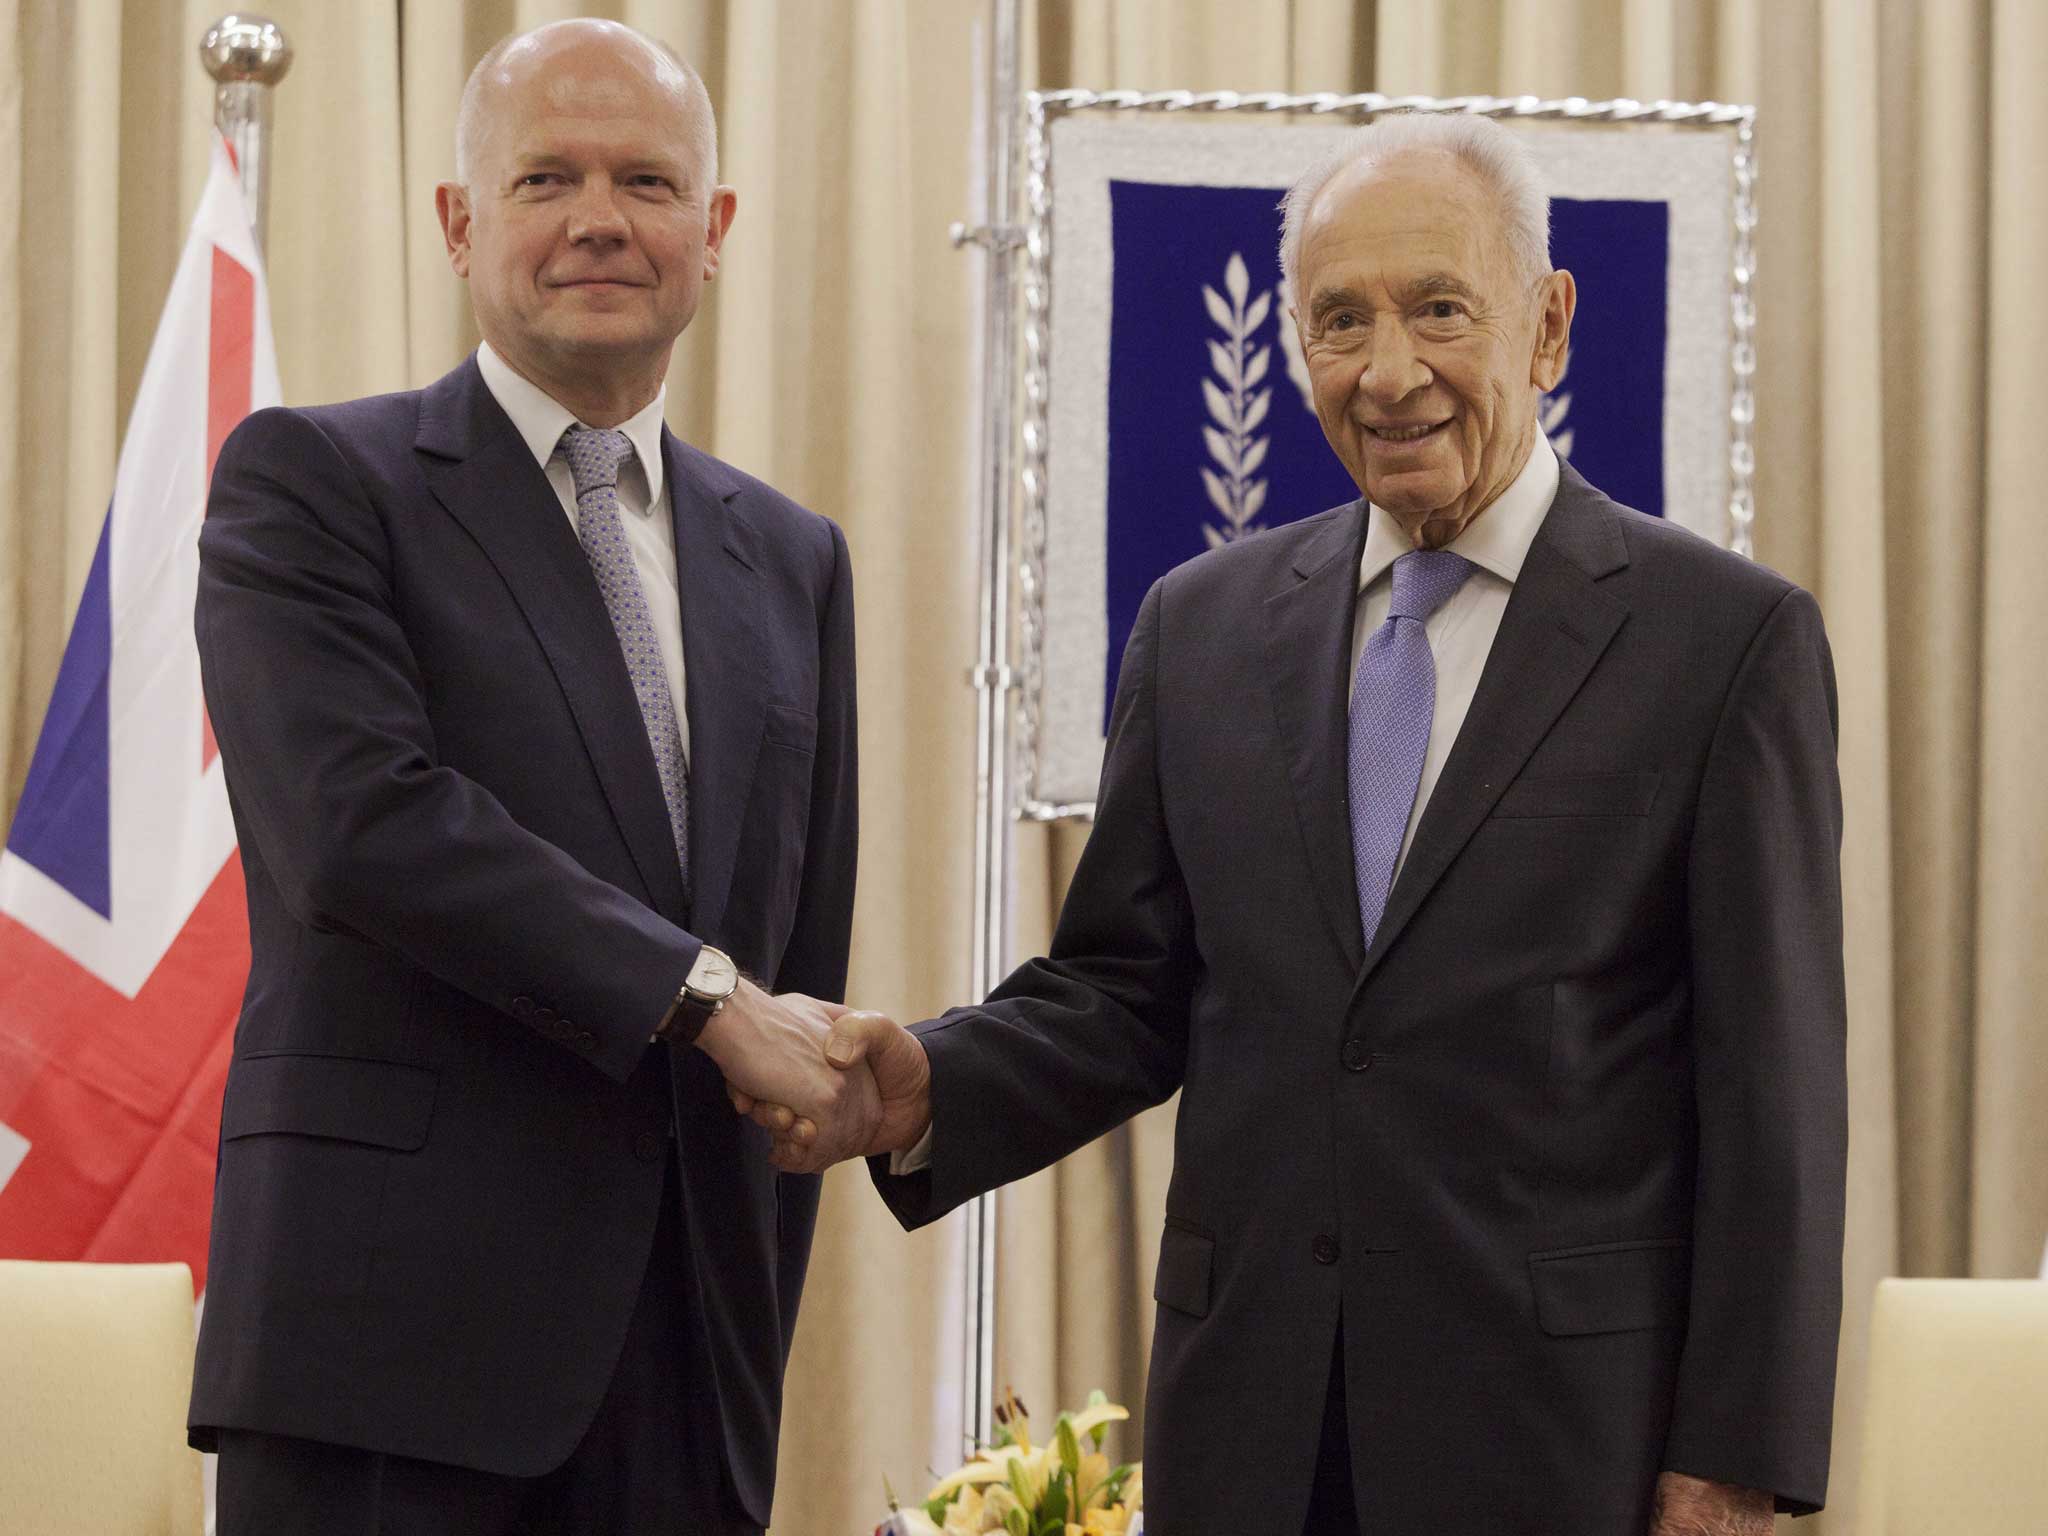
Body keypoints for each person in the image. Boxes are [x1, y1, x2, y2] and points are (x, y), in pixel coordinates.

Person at [754, 114, 1848, 1535]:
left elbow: (1771, 1095)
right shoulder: (1199, 626)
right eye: (1341, 321)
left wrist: (1736, 1461)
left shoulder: (1724, 641)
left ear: (1549, 325)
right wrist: (926, 1084)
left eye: (1440, 309)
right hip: (1252, 1426)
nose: (1389, 372)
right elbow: (1124, 994)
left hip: (1564, 1441)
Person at [188, 20, 878, 1534]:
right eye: (545, 178)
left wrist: (747, 1337)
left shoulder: (795, 560)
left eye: (646, 180)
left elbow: (798, 958)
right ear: (458, 223)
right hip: (390, 1371)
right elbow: (363, 830)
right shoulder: (313, 482)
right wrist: (703, 996)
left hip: (685, 1387)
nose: (599, 221)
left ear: (715, 231)